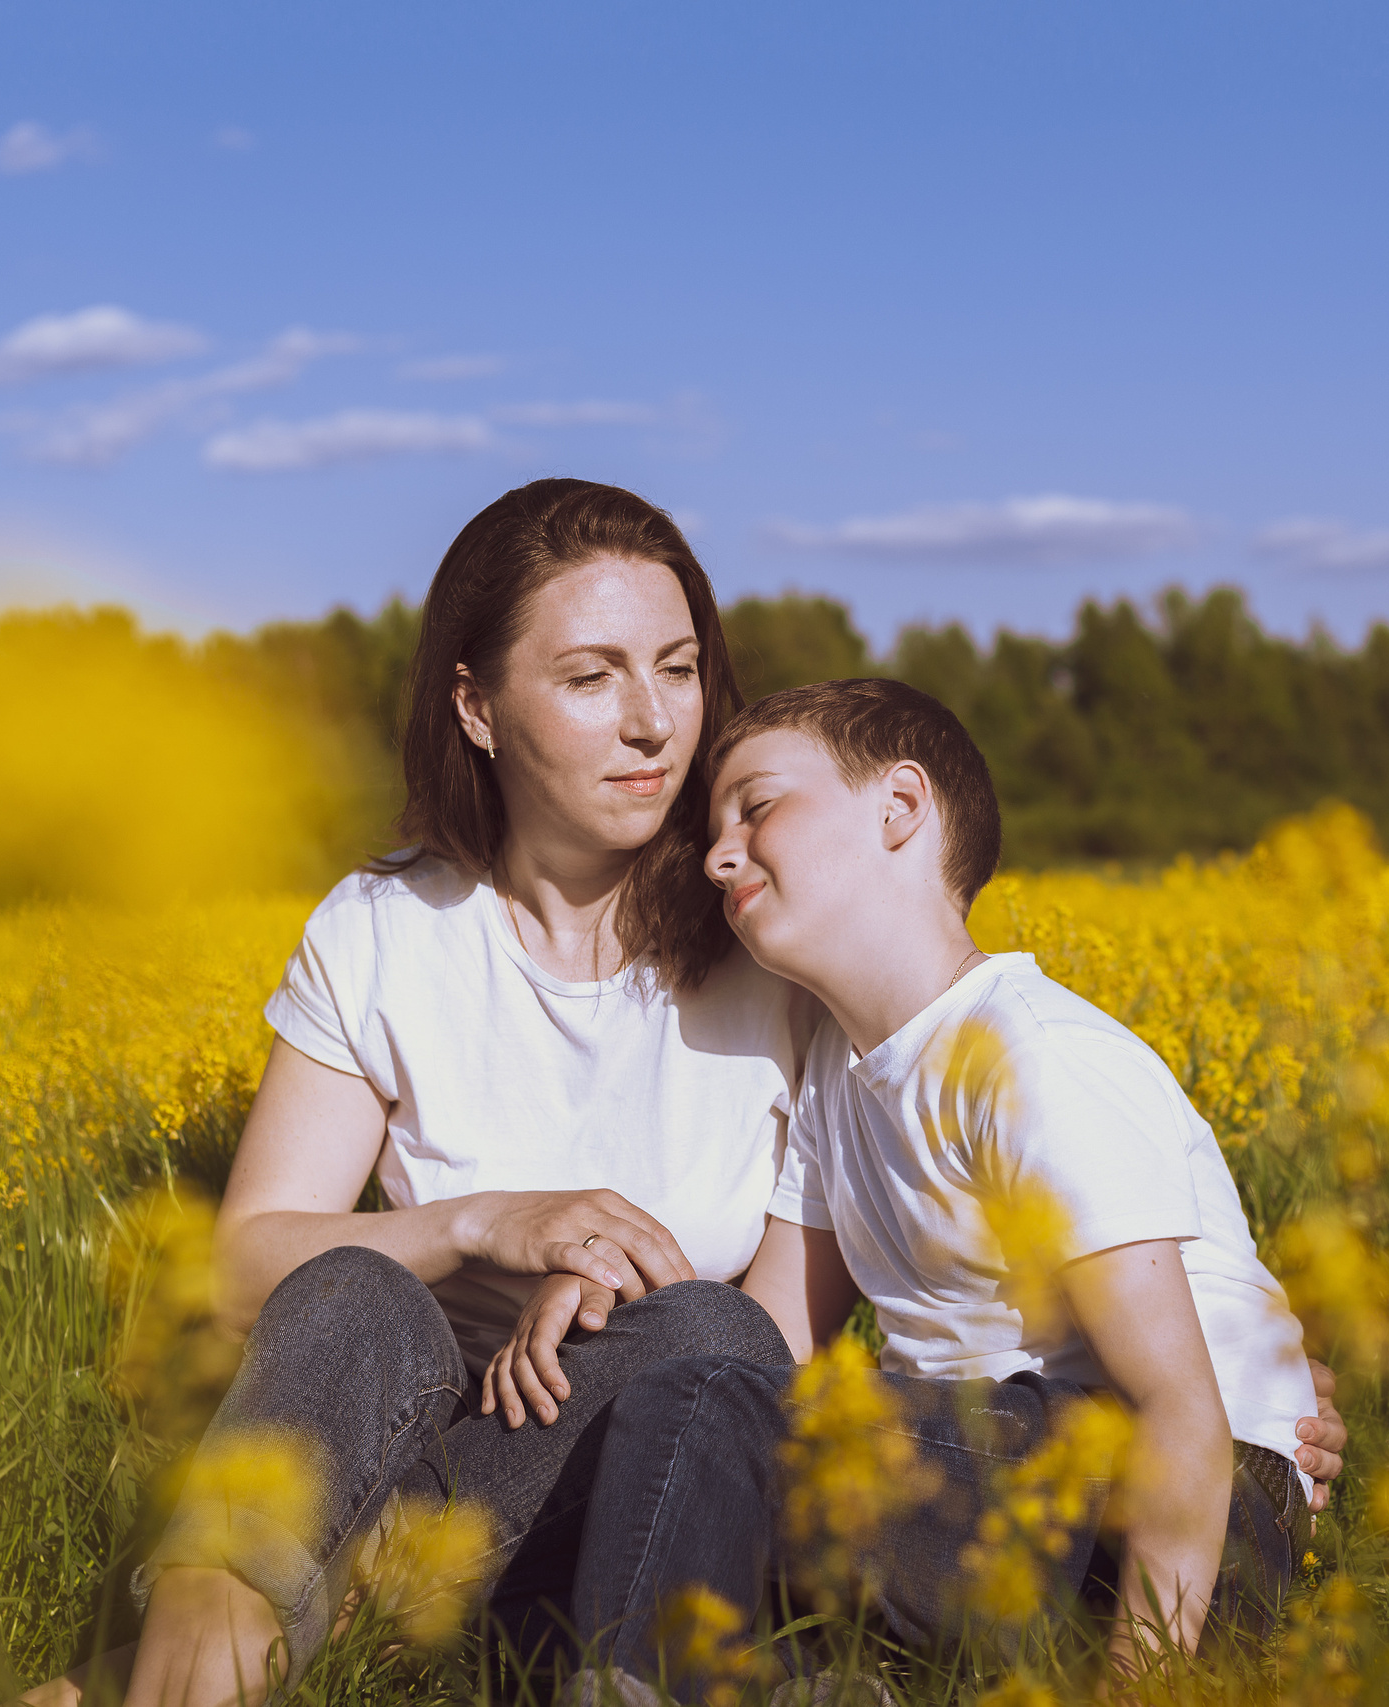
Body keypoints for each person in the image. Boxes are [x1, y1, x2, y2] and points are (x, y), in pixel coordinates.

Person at [26, 482, 1348, 1707]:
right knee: (356, 1290)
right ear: (477, 705)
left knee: (699, 1336)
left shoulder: (772, 936)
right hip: (411, 1419)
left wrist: (1239, 1394)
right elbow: (253, 1260)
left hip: (619, 1473)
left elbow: (791, 1332)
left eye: (677, 669)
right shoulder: (384, 928)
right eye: (592, 676)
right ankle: (218, 1591)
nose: (654, 720)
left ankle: (206, 1653)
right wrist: (484, 1223)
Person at [535, 679, 1318, 1697]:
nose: (719, 854)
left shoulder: (1031, 1054)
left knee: (700, 1413)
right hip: (996, 1495)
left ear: (900, 808)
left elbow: (1178, 1405)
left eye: (757, 808)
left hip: (1181, 1531)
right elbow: (768, 1342)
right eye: (713, 829)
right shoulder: (836, 1077)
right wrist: (606, 1294)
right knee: (689, 1418)